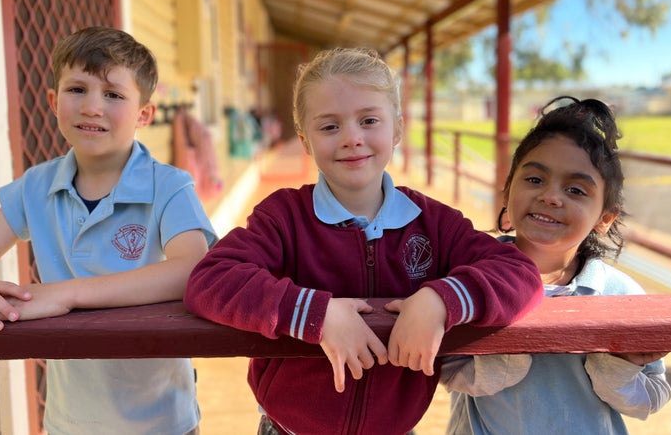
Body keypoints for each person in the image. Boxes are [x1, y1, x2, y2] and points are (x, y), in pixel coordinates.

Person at [183, 47, 544, 435]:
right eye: (329, 127)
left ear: (398, 129)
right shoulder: (282, 216)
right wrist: (315, 316)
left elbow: (520, 272)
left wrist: (440, 301)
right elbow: (211, 279)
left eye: (369, 120)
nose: (352, 138)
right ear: (305, 141)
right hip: (288, 429)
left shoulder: (434, 223)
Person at [0, 27, 217, 435]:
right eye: (77, 89)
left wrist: (65, 295)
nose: (92, 107)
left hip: (161, 421)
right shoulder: (36, 187)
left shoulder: (168, 186)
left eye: (114, 95)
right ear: (53, 101)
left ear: (144, 114)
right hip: (69, 422)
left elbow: (192, 268)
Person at [442, 96, 671, 434]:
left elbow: (653, 396)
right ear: (507, 192)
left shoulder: (620, 296)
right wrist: (512, 347)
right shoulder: (471, 279)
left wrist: (618, 369)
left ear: (605, 218)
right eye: (535, 180)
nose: (551, 196)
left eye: (576, 190)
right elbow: (447, 366)